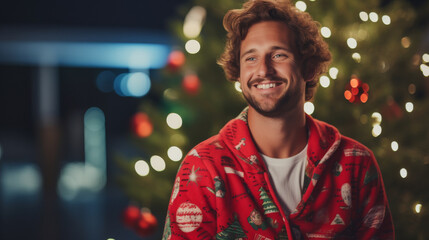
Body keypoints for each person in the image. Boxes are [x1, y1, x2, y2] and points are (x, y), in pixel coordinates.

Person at [162, 0, 394, 239]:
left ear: (309, 67)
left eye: (279, 55)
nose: (263, 70)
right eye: (251, 58)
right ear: (238, 74)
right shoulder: (203, 167)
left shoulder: (356, 164)